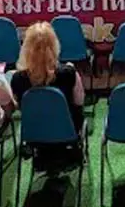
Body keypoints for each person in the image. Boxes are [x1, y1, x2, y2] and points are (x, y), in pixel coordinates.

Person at [11, 23, 85, 164]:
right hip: (67, 130)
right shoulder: (69, 72)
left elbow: (19, 106)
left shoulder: (17, 78)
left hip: (34, 132)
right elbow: (79, 102)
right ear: (55, 45)